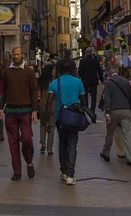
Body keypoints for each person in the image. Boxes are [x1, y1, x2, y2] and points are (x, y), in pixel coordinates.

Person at [0, 46, 38, 181]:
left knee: (27, 139)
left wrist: (34, 110)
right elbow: (3, 90)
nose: (16, 57)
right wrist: (0, 107)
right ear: (11, 56)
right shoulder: (6, 72)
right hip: (10, 111)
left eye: (18, 54)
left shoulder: (29, 72)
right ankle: (17, 171)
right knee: (13, 142)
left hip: (25, 111)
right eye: (14, 55)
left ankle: (29, 162)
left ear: (23, 55)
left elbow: (33, 91)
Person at [46, 58, 86, 186]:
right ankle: (70, 175)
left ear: (58, 69)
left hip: (60, 119)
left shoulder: (54, 84)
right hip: (74, 118)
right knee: (72, 145)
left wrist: (48, 120)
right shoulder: (78, 82)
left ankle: (63, 171)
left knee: (62, 143)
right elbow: (84, 102)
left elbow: (49, 103)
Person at [100, 64, 131, 166]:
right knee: (127, 135)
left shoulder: (108, 83)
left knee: (110, 133)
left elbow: (107, 99)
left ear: (109, 73)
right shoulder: (126, 81)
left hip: (113, 111)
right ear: (117, 71)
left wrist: (107, 113)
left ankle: (106, 153)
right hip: (126, 110)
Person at [78, 47, 104, 113]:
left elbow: (79, 70)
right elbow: (99, 71)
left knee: (85, 95)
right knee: (93, 96)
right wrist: (102, 80)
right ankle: (93, 110)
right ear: (91, 53)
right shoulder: (95, 60)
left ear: (86, 53)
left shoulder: (82, 61)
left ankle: (86, 108)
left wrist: (82, 78)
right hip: (93, 80)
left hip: (85, 81)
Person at [38, 68, 55, 155]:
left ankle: (43, 143)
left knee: (42, 124)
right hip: (52, 106)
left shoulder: (40, 82)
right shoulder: (54, 82)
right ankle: (49, 149)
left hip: (42, 106)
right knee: (51, 127)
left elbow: (38, 94)